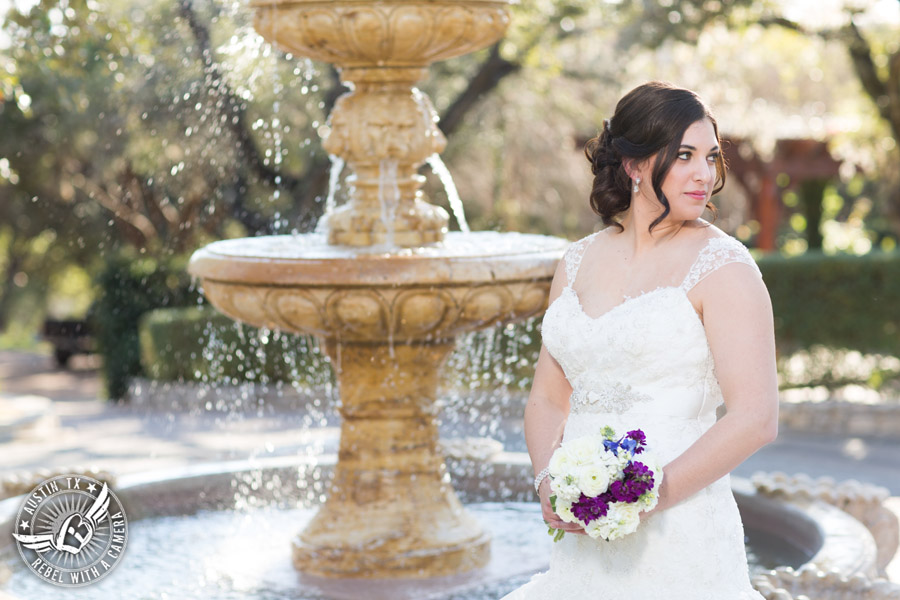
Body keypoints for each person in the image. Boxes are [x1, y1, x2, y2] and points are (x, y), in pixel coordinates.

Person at [501, 81, 778, 598]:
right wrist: (547, 483)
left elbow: (755, 418)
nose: (705, 173)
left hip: (681, 533)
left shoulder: (725, 268)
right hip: (583, 540)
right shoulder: (577, 260)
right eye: (684, 156)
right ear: (632, 165)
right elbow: (546, 398)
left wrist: (643, 498)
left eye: (711, 156)